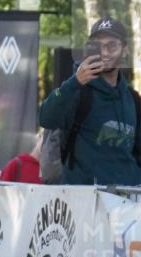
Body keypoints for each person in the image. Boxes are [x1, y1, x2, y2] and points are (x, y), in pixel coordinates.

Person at [39, 17, 141, 186]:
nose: (105, 52)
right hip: (84, 202)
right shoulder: (77, 91)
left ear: (125, 50)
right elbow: (45, 118)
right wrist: (75, 82)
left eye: (112, 45)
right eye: (98, 46)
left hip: (128, 203)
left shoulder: (133, 100)